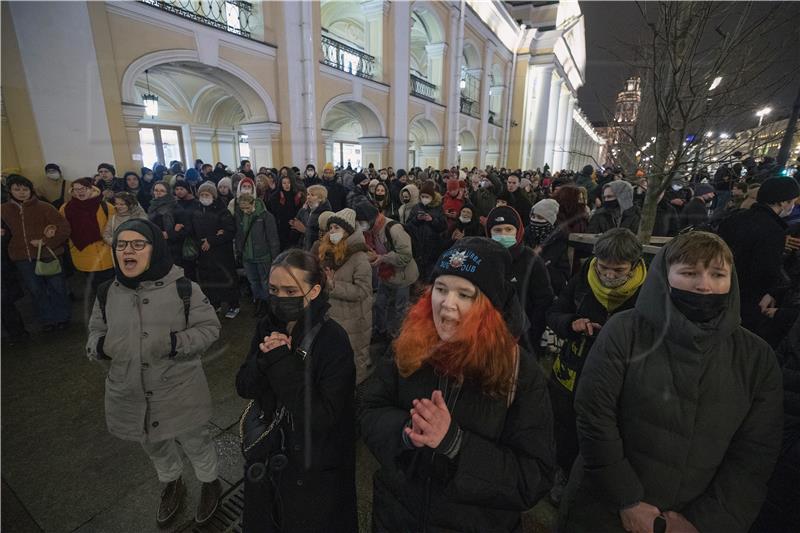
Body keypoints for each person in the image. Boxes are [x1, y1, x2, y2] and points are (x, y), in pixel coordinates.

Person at [561, 231, 783, 533]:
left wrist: (706, 522)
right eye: (689, 273)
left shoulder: (756, 358)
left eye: (717, 274)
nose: (704, 285)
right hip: (603, 508)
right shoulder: (625, 332)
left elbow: (755, 454)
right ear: (665, 276)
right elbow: (594, 415)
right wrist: (627, 499)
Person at [360, 237, 555, 532]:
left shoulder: (520, 373)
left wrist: (456, 445)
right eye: (440, 289)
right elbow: (367, 406)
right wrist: (404, 432)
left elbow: (533, 477)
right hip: (397, 517)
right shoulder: (409, 344)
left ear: (491, 307)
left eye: (465, 294)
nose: (447, 304)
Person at [86, 218, 222, 527]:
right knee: (153, 442)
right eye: (121, 245)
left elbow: (210, 329)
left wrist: (175, 343)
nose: (128, 251)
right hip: (129, 389)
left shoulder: (184, 288)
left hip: (178, 387)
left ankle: (210, 480)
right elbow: (95, 332)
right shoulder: (108, 291)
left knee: (195, 440)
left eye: (137, 244)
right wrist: (103, 346)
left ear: (154, 249)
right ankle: (171, 481)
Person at [235, 249, 358, 532]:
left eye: (291, 290)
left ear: (314, 291)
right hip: (271, 456)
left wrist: (280, 363)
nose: (280, 298)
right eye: (274, 289)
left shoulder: (333, 340)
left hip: (314, 470)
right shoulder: (267, 325)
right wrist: (264, 359)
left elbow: (324, 417)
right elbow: (244, 385)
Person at [546, 228, 646, 503]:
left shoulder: (649, 292)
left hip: (618, 376)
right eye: (604, 267)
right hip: (573, 369)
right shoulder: (583, 279)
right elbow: (554, 313)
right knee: (566, 424)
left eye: (618, 269)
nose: (609, 276)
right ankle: (563, 472)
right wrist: (571, 323)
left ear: (634, 266)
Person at [718, 177, 800, 342]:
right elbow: (767, 269)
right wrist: (771, 292)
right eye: (792, 201)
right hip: (747, 299)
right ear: (783, 202)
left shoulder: (734, 218)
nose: (793, 206)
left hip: (720, 288)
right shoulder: (774, 230)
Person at [1, 174, 72, 330]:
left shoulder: (44, 207)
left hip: (48, 254)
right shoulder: (3, 210)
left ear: (31, 190)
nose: (21, 192)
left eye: (25, 189)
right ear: (10, 191)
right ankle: (47, 320)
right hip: (22, 258)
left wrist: (46, 242)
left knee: (57, 287)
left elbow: (64, 228)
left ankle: (62, 317)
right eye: (17, 189)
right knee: (35, 290)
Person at [486, 205, 554, 356]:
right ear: (489, 233)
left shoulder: (532, 260)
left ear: (518, 231)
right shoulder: (485, 258)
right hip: (490, 334)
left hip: (524, 336)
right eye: (497, 230)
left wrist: (532, 333)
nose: (503, 234)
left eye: (508, 229)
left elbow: (543, 300)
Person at [318, 208, 373, 384]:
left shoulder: (359, 257)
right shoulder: (329, 251)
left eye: (336, 228)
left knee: (355, 357)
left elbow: (363, 291)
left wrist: (334, 286)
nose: (332, 232)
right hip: (334, 316)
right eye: (331, 228)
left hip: (354, 319)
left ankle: (356, 393)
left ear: (347, 231)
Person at [356, 201, 419, 339]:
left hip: (403, 275)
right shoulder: (371, 231)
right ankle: (381, 330)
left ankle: (397, 339)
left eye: (362, 222)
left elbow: (406, 255)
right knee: (379, 304)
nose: (360, 226)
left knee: (400, 309)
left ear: (371, 219)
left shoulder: (393, 229)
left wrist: (383, 258)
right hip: (385, 274)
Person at [189, 182, 239, 318]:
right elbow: (193, 231)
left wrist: (211, 240)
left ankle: (233, 305)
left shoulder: (222, 211)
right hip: (204, 253)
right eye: (202, 195)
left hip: (221, 253)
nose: (204, 197)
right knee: (209, 280)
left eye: (207, 194)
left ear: (213, 196)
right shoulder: (196, 211)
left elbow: (229, 231)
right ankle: (214, 303)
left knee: (227, 278)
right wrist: (201, 242)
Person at [60, 177, 116, 293]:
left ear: (91, 189)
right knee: (97, 288)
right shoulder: (66, 209)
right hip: (82, 254)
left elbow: (116, 228)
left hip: (106, 253)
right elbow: (63, 229)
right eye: (76, 189)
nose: (80, 191)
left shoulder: (105, 207)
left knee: (111, 287)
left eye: (84, 188)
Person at [234, 193, 280, 318]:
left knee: (265, 282)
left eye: (247, 208)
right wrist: (239, 251)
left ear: (253, 204)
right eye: (242, 209)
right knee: (253, 281)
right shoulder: (241, 216)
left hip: (263, 256)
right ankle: (258, 302)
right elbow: (239, 235)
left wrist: (275, 258)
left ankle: (266, 305)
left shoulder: (266, 216)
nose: (245, 211)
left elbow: (273, 238)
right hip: (247, 256)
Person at [407, 180, 447, 279]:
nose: (424, 199)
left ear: (432, 197)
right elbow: (408, 225)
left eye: (427, 197)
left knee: (430, 273)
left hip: (433, 246)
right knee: (418, 273)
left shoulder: (438, 208)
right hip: (418, 244)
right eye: (423, 196)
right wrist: (417, 219)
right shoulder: (416, 208)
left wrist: (432, 220)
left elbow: (443, 226)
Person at [268, 174, 304, 250]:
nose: (287, 185)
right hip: (281, 226)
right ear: (280, 184)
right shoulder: (275, 196)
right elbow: (274, 211)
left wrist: (298, 201)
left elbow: (300, 211)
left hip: (294, 225)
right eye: (284, 183)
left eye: (288, 183)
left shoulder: (296, 194)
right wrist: (281, 203)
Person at [292, 184, 332, 251]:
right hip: (303, 248)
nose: (308, 197)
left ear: (320, 198)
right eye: (308, 194)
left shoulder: (325, 214)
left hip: (315, 251)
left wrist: (305, 230)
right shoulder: (307, 209)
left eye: (312, 195)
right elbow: (296, 224)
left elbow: (323, 236)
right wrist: (302, 210)